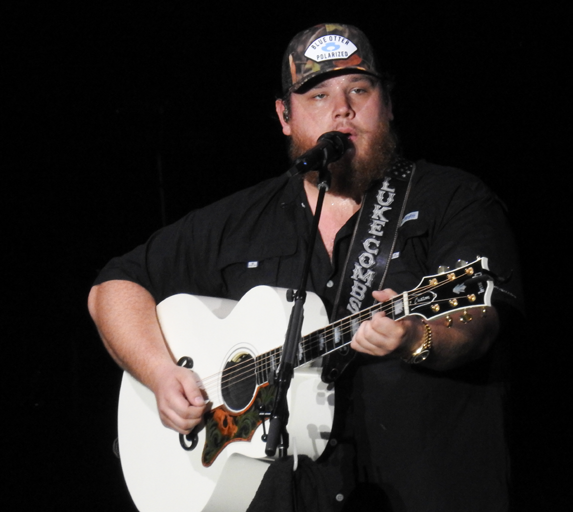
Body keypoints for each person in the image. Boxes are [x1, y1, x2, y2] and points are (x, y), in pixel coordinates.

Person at [89, 23, 523, 511]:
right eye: (318, 96)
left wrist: (415, 338)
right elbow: (114, 286)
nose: (342, 109)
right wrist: (160, 374)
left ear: (388, 103)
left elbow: (478, 320)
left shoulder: (453, 198)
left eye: (360, 89)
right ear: (284, 116)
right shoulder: (241, 218)